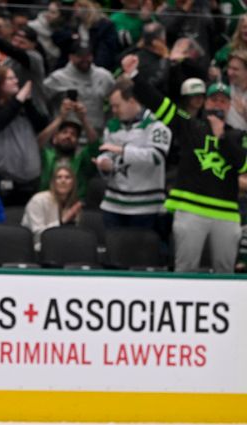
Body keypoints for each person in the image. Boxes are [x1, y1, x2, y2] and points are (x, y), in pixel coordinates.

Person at [122, 54, 245, 272]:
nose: (218, 104)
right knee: (185, 269)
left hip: (226, 213)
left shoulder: (238, 135)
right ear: (205, 102)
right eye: (214, 99)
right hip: (190, 210)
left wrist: (222, 138)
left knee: (225, 272)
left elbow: (243, 165)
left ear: (229, 107)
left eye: (223, 101)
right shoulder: (189, 125)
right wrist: (135, 76)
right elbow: (159, 104)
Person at [95, 78, 171, 230]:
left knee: (142, 252)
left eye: (117, 106)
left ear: (132, 101)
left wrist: (123, 151)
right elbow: (106, 153)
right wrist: (104, 164)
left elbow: (156, 156)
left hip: (146, 206)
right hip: (113, 204)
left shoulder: (156, 124)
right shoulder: (112, 126)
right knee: (114, 251)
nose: (114, 111)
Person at [0, 65, 48, 206]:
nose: (16, 81)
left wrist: (27, 102)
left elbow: (41, 124)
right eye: (10, 78)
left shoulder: (24, 103)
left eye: (15, 78)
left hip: (28, 178)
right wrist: (19, 99)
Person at [43, 40, 115, 137]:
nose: (85, 59)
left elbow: (116, 102)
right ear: (71, 57)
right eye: (80, 56)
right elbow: (41, 102)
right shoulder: (57, 78)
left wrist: (108, 123)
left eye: (88, 55)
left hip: (97, 134)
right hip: (67, 137)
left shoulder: (105, 77)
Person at [22, 165, 83, 251]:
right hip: (36, 248)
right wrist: (62, 221)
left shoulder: (73, 204)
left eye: (67, 177)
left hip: (64, 248)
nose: (63, 181)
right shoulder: (38, 200)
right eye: (59, 177)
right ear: (53, 182)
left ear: (73, 183)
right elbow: (37, 234)